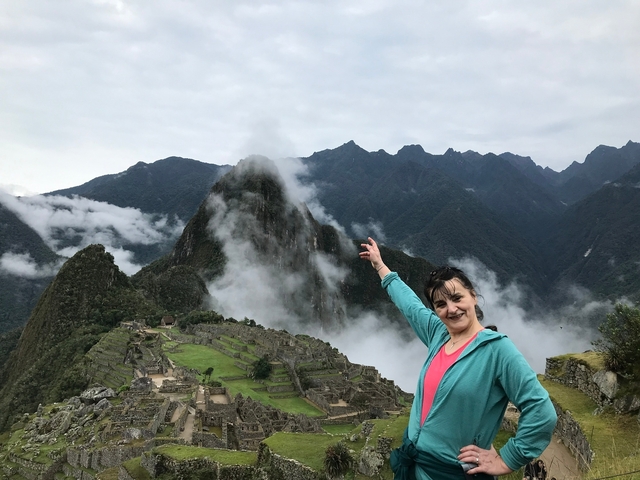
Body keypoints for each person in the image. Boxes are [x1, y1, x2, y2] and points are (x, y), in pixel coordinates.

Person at [359, 237, 557, 480]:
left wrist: (507, 459)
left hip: (452, 473)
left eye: (457, 298)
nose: (451, 309)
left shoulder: (497, 350)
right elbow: (410, 305)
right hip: (415, 465)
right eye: (440, 304)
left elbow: (541, 410)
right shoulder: (438, 334)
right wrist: (380, 266)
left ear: (473, 296)